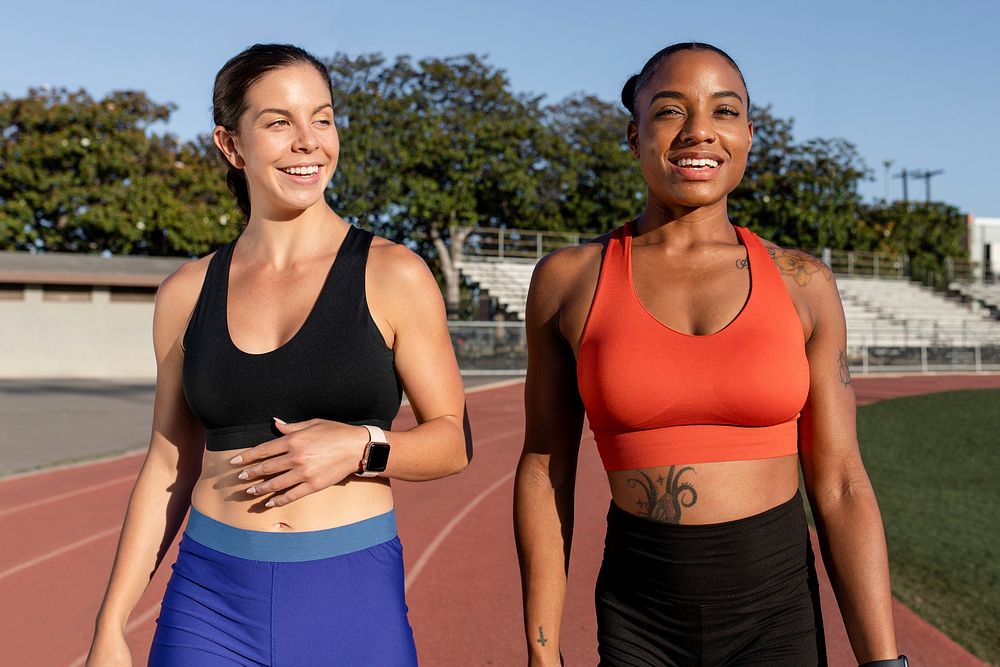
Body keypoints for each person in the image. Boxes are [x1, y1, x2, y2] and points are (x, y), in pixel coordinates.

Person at [514, 42, 907, 666]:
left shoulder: (805, 284)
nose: (700, 131)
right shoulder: (569, 280)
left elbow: (841, 486)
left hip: (777, 619)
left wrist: (884, 661)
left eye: (724, 111)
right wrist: (542, 653)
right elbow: (545, 471)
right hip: (640, 622)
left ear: (748, 135)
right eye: (671, 110)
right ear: (633, 132)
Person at [86, 43, 471, 666]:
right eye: (278, 122)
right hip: (208, 604)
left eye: (321, 118)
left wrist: (363, 446)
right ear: (230, 145)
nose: (308, 142)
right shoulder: (185, 292)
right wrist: (109, 626)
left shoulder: (393, 274)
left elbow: (453, 441)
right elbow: (167, 465)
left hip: (350, 597)